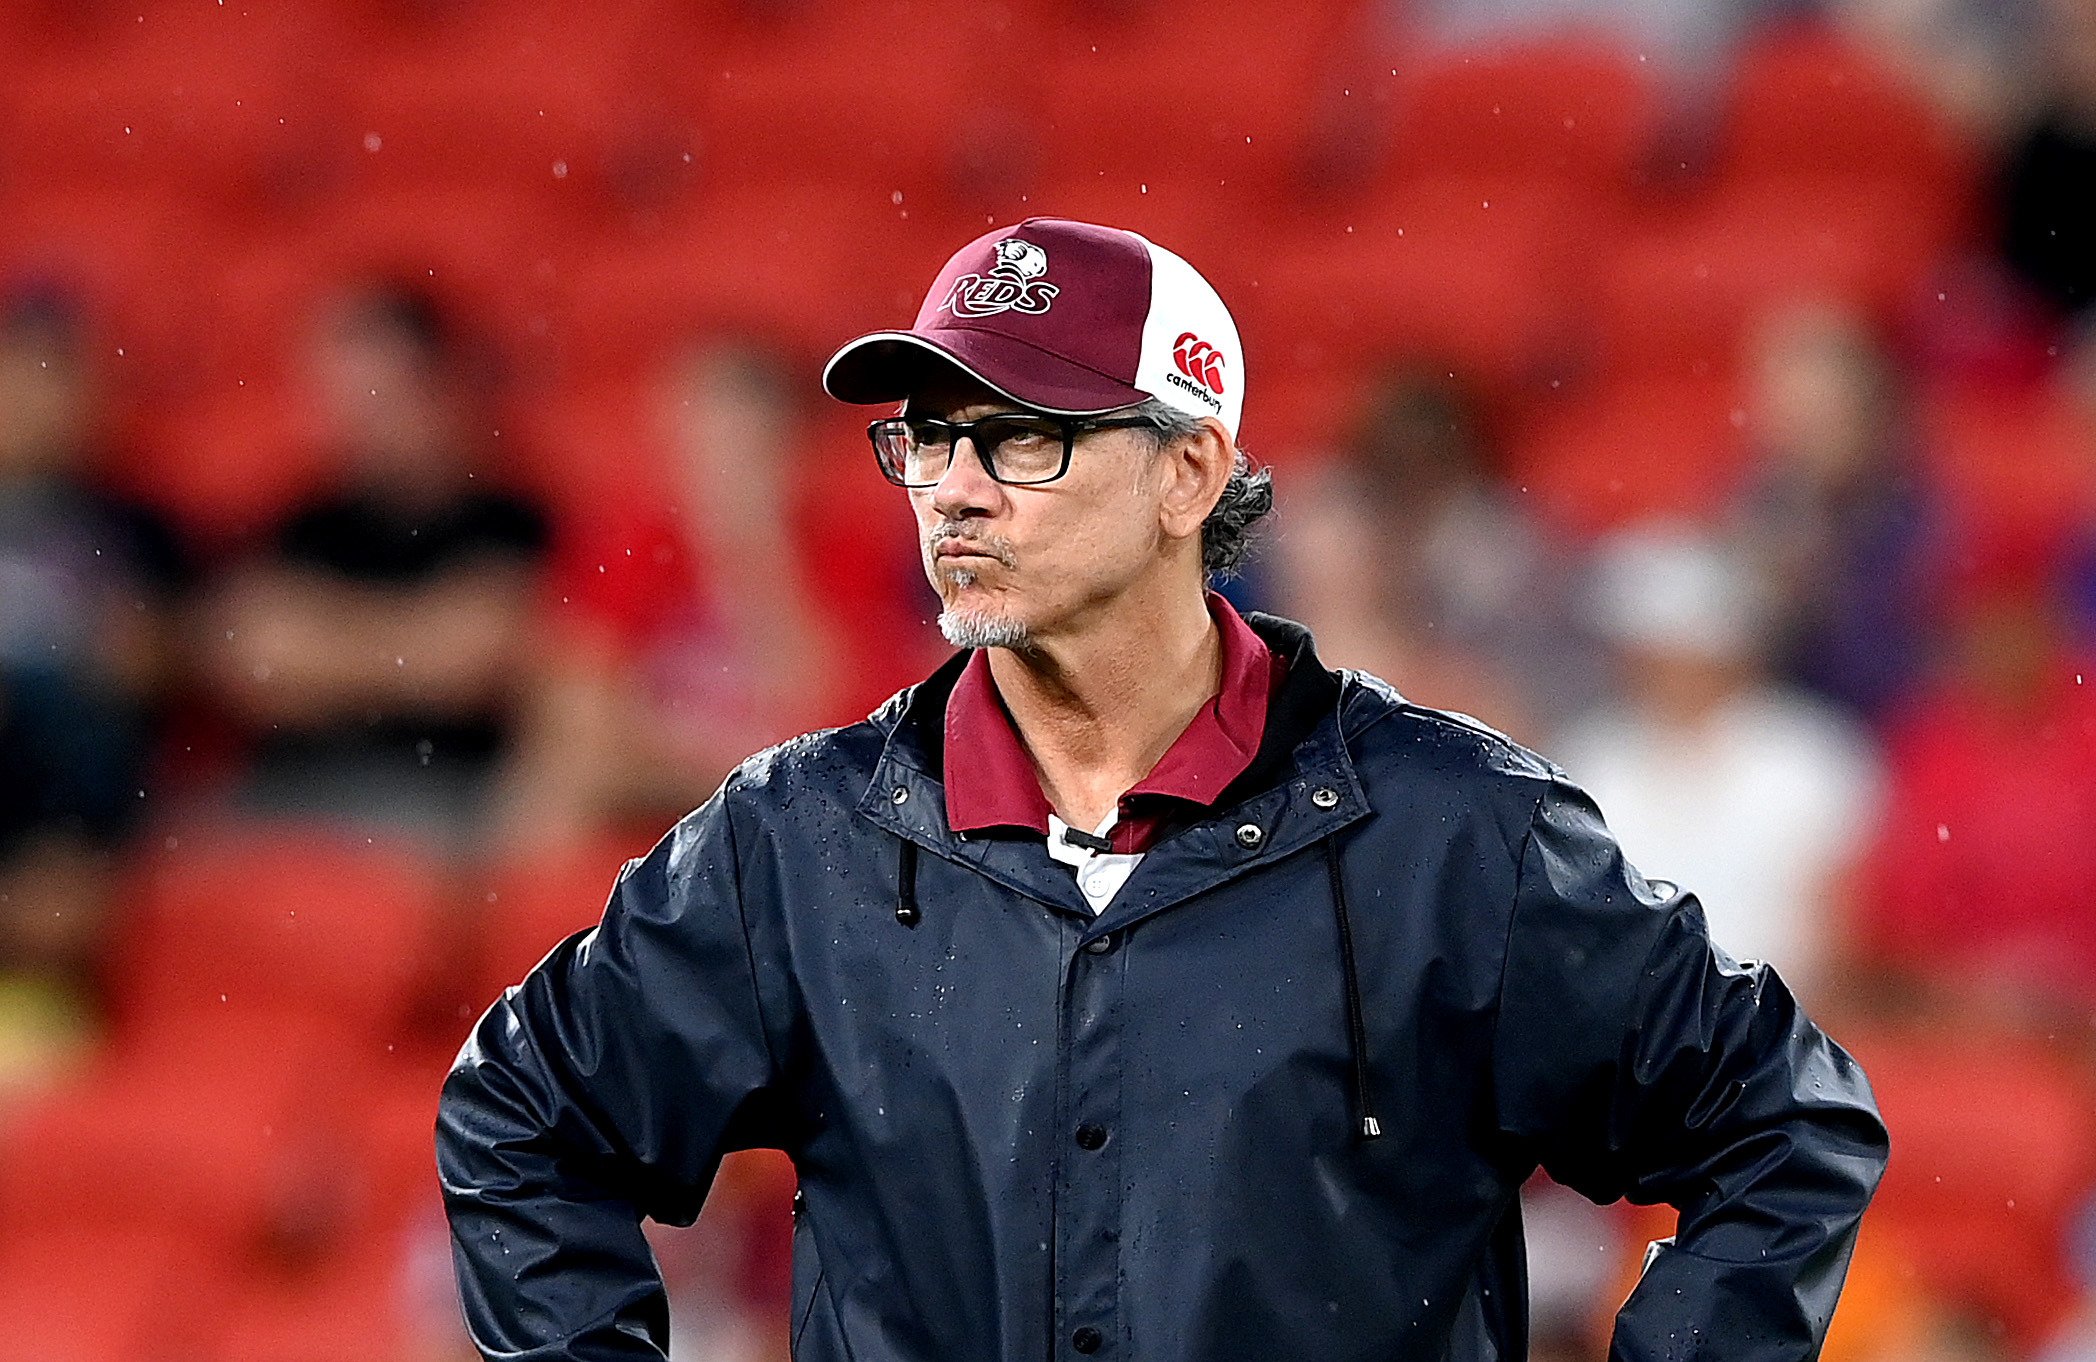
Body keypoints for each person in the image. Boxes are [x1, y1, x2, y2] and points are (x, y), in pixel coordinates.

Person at [437, 217, 1887, 1362]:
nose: (953, 488)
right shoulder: (795, 842)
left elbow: (1783, 1125)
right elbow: (521, 1119)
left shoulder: (1454, 832)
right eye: (928, 437)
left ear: (1192, 468)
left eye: (1021, 435)